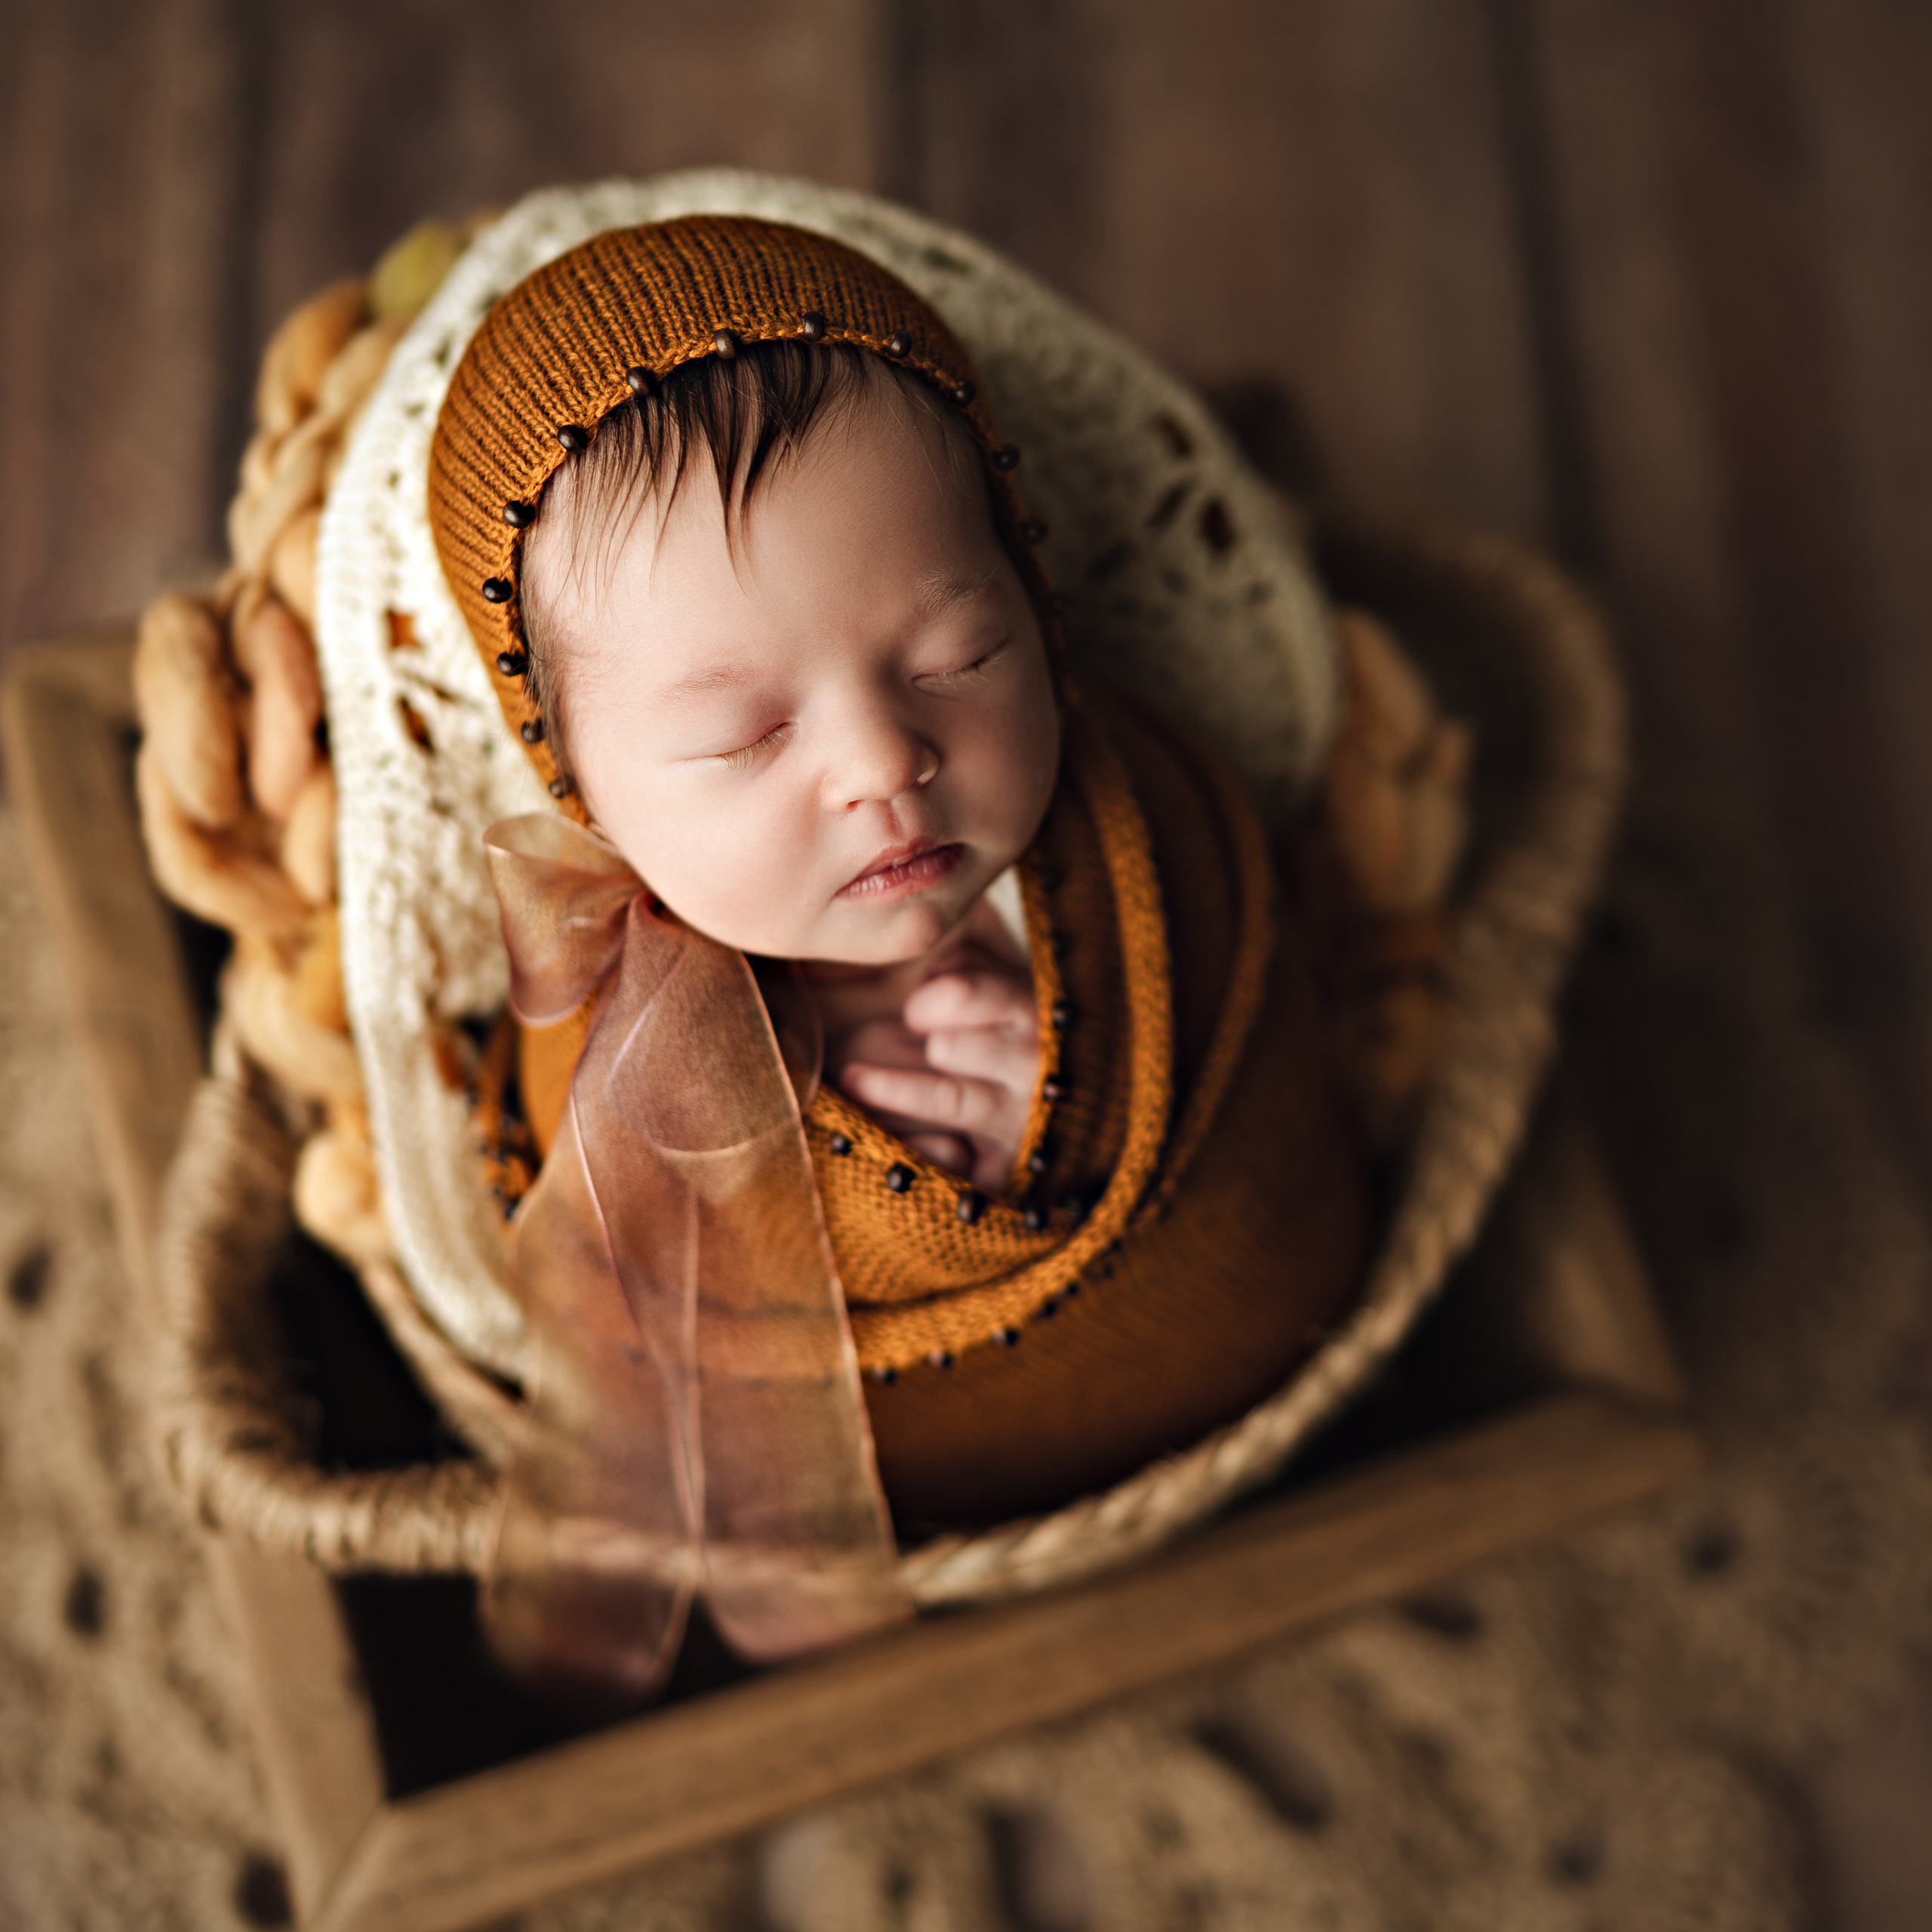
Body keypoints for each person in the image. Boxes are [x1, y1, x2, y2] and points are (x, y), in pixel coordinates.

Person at [419, 213, 1451, 1691]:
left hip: (1265, 1374)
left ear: (1031, 598)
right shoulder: (604, 1008)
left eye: (956, 656)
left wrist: (1069, 1084)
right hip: (920, 1508)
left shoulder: (1134, 821)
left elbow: (1251, 1010)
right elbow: (602, 1274)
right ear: (579, 789)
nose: (880, 761)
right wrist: (859, 1204)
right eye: (743, 733)